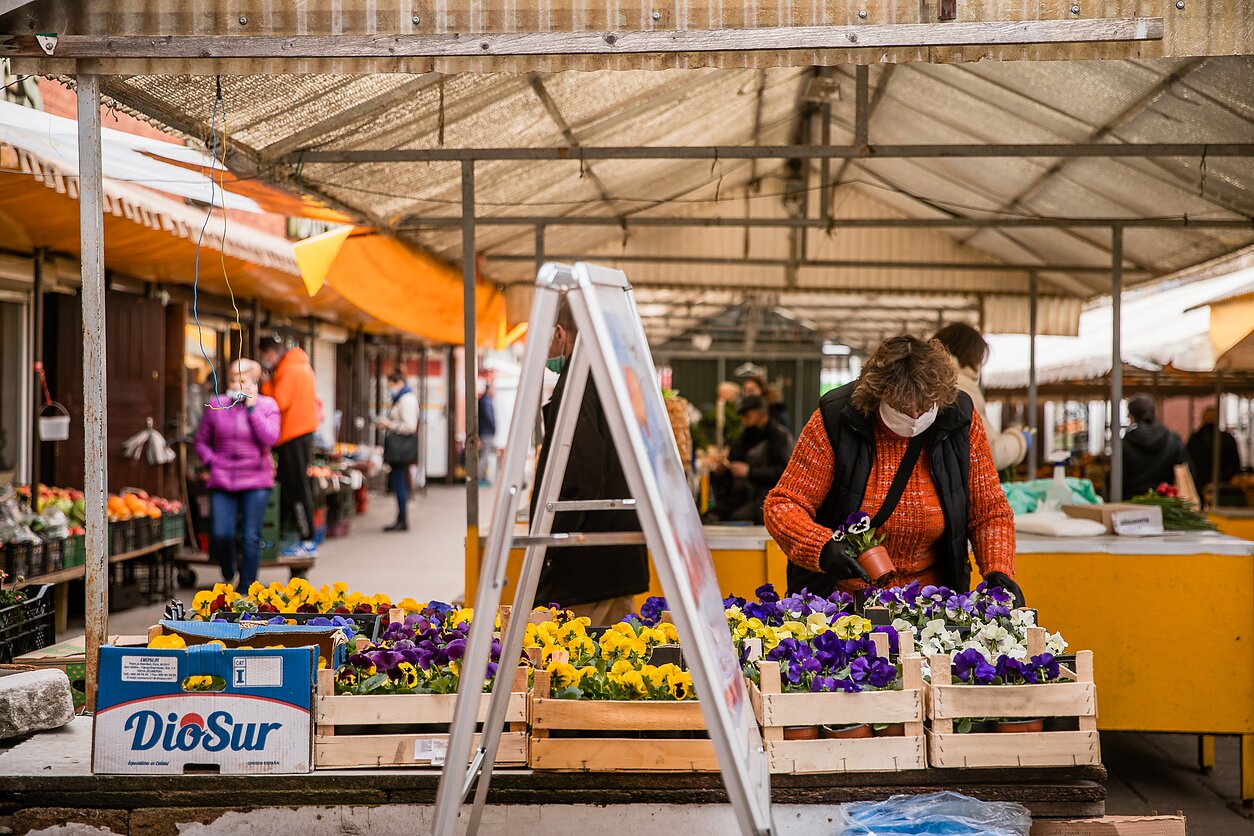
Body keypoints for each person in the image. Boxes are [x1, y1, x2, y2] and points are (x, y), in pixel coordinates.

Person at [763, 335, 1020, 603]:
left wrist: (998, 571)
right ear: (877, 396)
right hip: (841, 603)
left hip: (931, 602)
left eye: (924, 408)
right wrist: (821, 546)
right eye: (902, 409)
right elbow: (783, 504)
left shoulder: (960, 420)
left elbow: (989, 512)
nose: (914, 417)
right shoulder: (835, 419)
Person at [530, 297, 649, 624]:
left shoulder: (580, 382)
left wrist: (548, 544)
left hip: (588, 566)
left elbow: (579, 477)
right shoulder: (617, 375)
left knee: (574, 664)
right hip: (615, 555)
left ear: (559, 332)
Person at [193, 359, 280, 592]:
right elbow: (200, 441)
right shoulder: (216, 405)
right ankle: (228, 570)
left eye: (241, 379)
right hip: (222, 479)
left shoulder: (267, 405)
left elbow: (270, 439)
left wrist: (252, 409)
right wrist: (212, 461)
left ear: (255, 380)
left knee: (251, 536)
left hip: (256, 480)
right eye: (232, 379)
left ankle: (247, 586)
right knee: (221, 533)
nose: (235, 384)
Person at [932, 323, 1031, 472]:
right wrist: (1019, 440)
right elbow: (988, 455)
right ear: (971, 356)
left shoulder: (927, 381)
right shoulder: (962, 391)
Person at [259, 336, 319, 556]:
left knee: (297, 486)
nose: (265, 360)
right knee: (289, 486)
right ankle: (286, 534)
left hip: (293, 434)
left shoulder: (288, 369)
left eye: (264, 355)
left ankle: (307, 537)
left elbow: (279, 401)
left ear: (272, 352)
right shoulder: (301, 365)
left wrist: (266, 384)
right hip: (300, 433)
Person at [704, 395, 794, 524]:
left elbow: (785, 473)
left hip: (766, 503)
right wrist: (723, 469)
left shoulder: (780, 437)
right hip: (739, 498)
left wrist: (749, 472)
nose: (743, 422)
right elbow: (733, 458)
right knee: (709, 517)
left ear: (761, 414)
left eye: (747, 416)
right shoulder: (745, 436)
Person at [1122, 395, 1188, 500]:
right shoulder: (1173, 440)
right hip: (1166, 502)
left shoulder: (1125, 443)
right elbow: (1186, 470)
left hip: (1133, 504)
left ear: (1132, 415)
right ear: (1154, 413)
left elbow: (1119, 478)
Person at [377, 371, 420, 531]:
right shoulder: (402, 398)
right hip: (399, 449)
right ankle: (400, 518)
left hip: (401, 449)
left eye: (391, 385)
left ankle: (402, 519)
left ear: (399, 382)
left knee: (399, 482)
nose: (390, 389)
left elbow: (409, 426)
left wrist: (389, 424)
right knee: (398, 481)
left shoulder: (406, 399)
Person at [1187, 406, 1242, 492]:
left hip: (1199, 484)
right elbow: (1235, 464)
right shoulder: (1227, 438)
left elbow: (1188, 461)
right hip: (1222, 486)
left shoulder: (1195, 438)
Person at [692, 381, 742, 453]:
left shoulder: (736, 411)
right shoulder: (713, 409)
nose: (720, 395)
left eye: (724, 393)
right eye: (720, 393)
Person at [478, 382, 497, 486]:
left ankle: (483, 477)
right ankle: (479, 477)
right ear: (488, 389)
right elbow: (488, 417)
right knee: (484, 456)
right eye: (493, 389)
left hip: (485, 432)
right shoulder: (485, 401)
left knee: (485, 455)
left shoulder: (485, 400)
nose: (494, 391)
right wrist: (493, 428)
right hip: (486, 433)